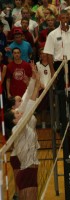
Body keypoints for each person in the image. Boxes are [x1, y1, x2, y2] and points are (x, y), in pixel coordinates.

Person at [44, 10, 70, 131]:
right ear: (59, 19)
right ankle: (62, 120)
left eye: (67, 18)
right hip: (59, 66)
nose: (65, 20)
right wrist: (53, 72)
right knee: (60, 93)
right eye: (63, 18)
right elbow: (49, 54)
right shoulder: (52, 34)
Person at [4, 71, 41, 200]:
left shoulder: (20, 126)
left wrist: (33, 82)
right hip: (27, 170)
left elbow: (28, 101)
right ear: (14, 120)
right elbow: (30, 103)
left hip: (28, 170)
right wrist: (36, 86)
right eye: (17, 114)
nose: (19, 113)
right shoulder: (19, 127)